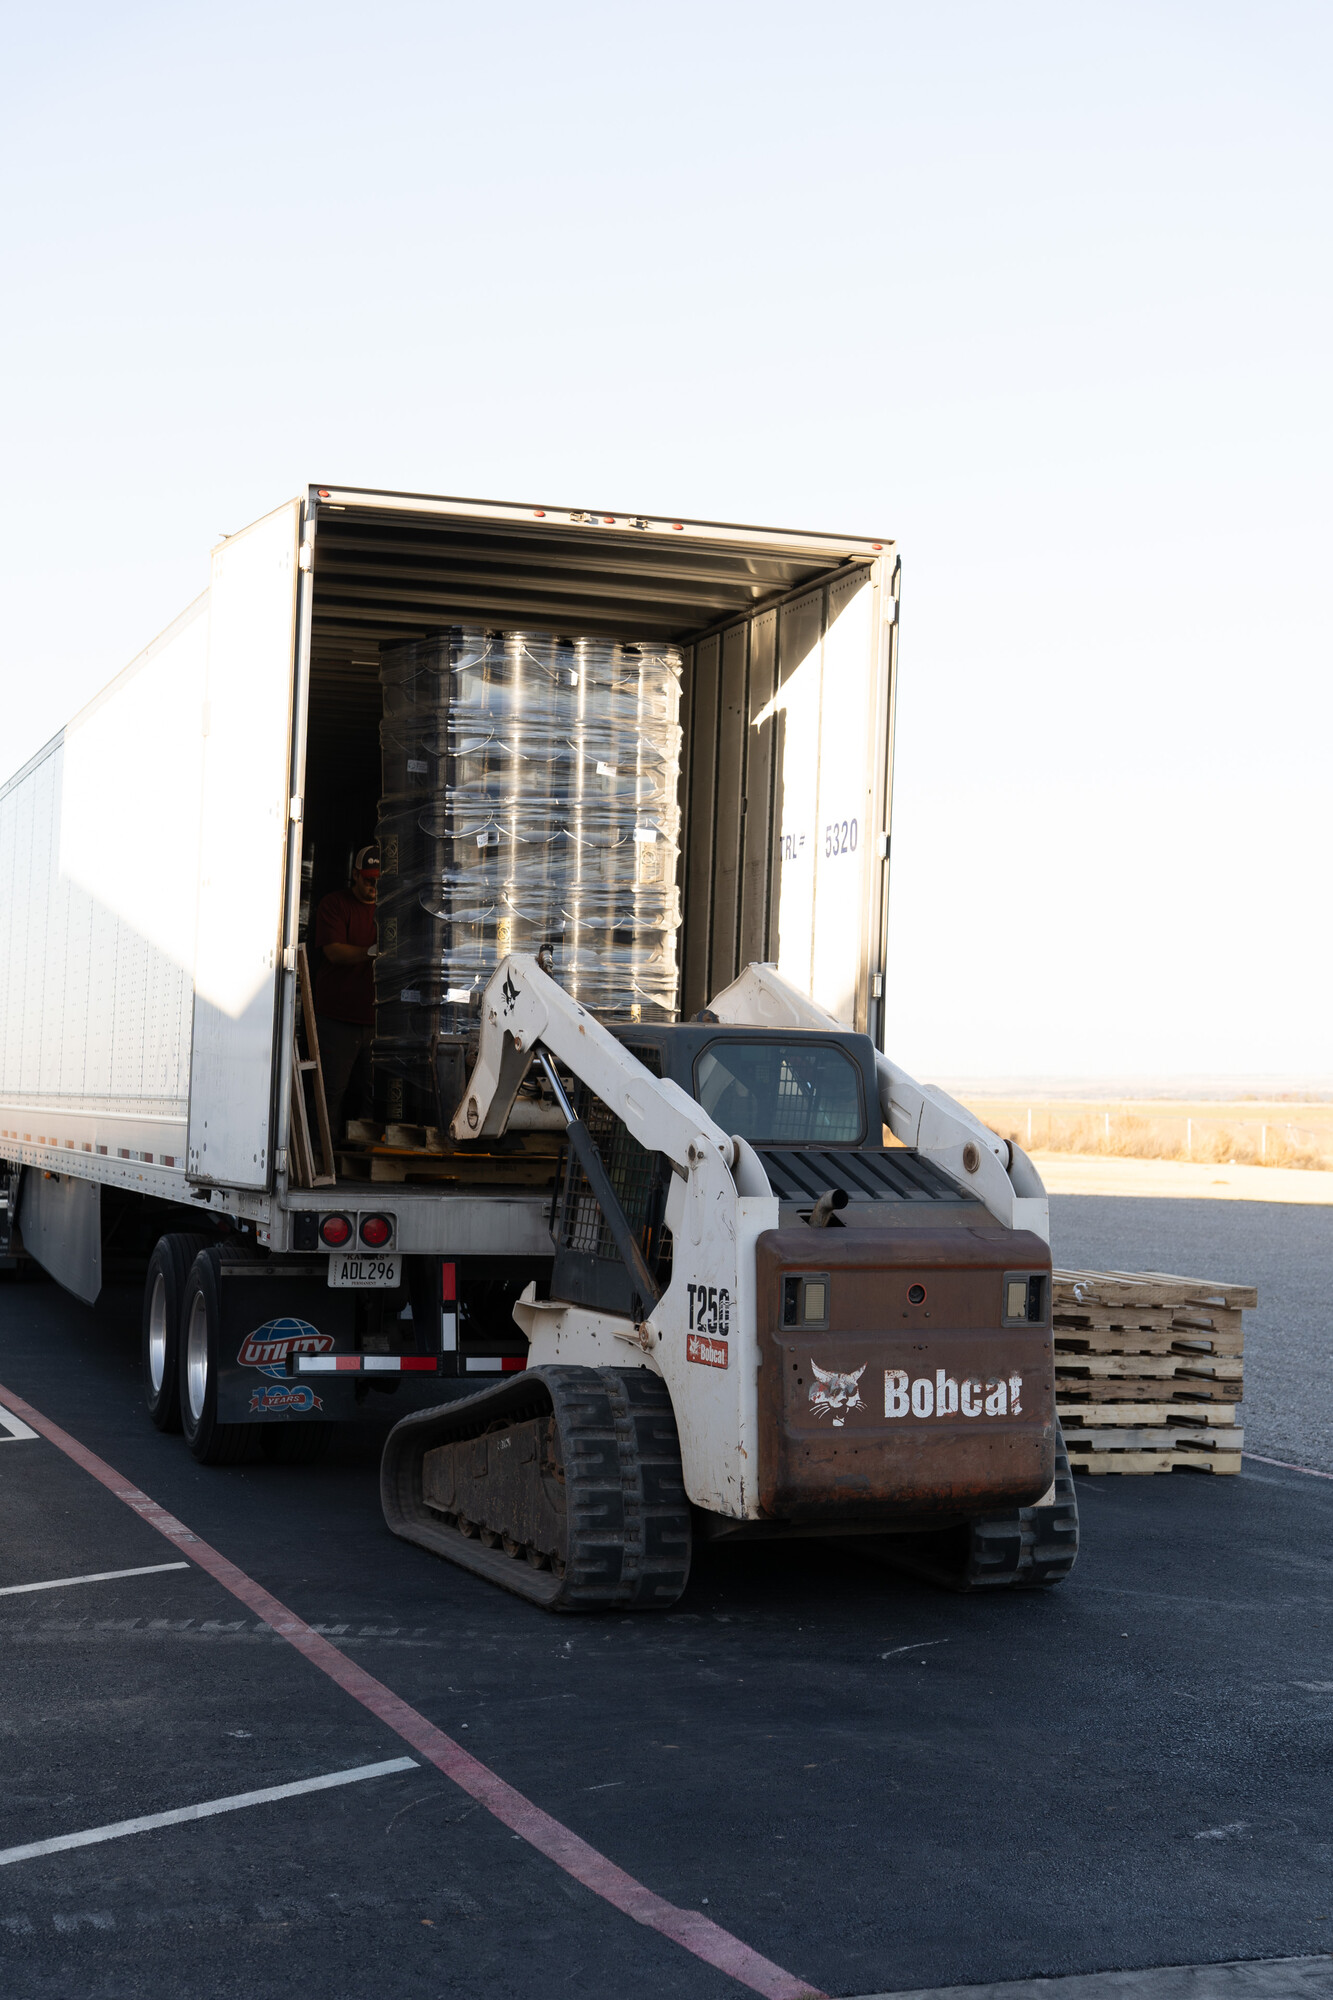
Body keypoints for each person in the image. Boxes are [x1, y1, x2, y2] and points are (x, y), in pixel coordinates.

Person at [314, 843, 379, 1140]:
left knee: (373, 1092)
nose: (373, 886)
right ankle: (324, 1153)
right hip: (337, 1017)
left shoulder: (390, 909)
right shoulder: (334, 905)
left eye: (378, 880)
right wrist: (372, 952)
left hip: (375, 1019)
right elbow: (334, 952)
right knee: (331, 1091)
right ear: (355, 875)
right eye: (368, 880)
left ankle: (363, 1152)